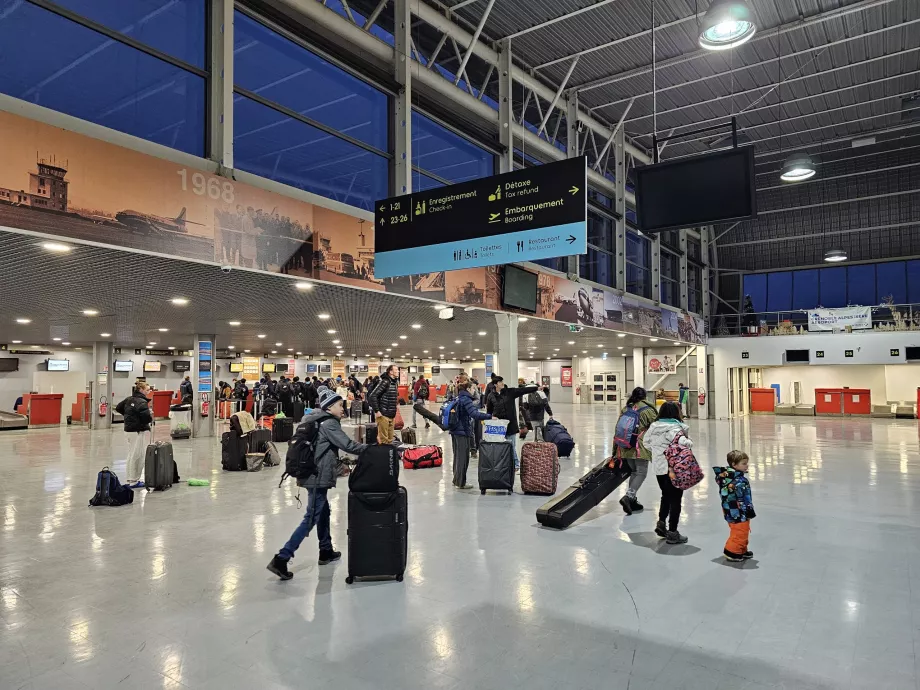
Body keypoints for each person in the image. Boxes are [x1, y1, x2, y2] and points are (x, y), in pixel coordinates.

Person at [267, 387, 367, 580]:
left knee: (323, 511)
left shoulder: (313, 420)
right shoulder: (329, 423)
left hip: (312, 474)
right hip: (316, 476)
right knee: (311, 517)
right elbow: (347, 445)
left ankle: (325, 550)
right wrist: (373, 448)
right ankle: (282, 557)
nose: (342, 408)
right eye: (339, 405)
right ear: (329, 407)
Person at [643, 402, 691, 544]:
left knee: (665, 495)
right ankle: (673, 533)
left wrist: (658, 452)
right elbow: (684, 445)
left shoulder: (653, 426)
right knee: (676, 499)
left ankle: (661, 523)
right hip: (674, 468)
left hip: (659, 467)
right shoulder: (679, 428)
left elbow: (646, 443)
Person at [616, 387, 657, 515]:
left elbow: (617, 428)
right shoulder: (648, 410)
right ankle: (628, 496)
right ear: (644, 397)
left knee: (634, 472)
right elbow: (657, 427)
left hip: (625, 446)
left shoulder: (626, 409)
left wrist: (615, 450)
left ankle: (632, 501)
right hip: (640, 447)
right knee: (641, 473)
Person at [447, 377, 492, 489]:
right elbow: (474, 414)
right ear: (468, 389)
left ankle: (456, 479)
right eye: (473, 388)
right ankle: (461, 483)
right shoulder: (466, 399)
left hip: (455, 431)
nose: (474, 390)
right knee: (463, 458)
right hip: (462, 432)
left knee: (457, 456)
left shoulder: (458, 397)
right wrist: (489, 416)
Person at [486, 376, 538, 468]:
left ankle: (515, 465)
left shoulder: (509, 392)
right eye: (500, 382)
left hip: (511, 425)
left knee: (511, 445)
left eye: (502, 381)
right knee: (500, 446)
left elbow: (522, 390)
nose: (502, 383)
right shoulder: (491, 396)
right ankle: (503, 464)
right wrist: (490, 418)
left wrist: (536, 388)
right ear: (495, 384)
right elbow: (489, 411)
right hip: (499, 427)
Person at [714, 451, 755, 562]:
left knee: (741, 529)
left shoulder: (725, 477)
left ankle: (741, 549)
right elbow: (744, 498)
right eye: (743, 463)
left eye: (746, 463)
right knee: (740, 531)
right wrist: (749, 510)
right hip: (738, 510)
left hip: (730, 509)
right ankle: (732, 551)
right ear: (734, 464)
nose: (747, 466)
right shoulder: (738, 481)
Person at [116, 381, 153, 489]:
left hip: (128, 430)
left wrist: (129, 416)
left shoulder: (129, 399)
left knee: (131, 454)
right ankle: (133, 480)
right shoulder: (141, 402)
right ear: (141, 390)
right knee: (137, 455)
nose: (149, 392)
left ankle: (130, 478)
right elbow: (146, 417)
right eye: (147, 390)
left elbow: (118, 407)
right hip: (137, 431)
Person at [368, 365, 398, 444]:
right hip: (383, 415)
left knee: (390, 440)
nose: (398, 371)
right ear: (391, 372)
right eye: (396, 369)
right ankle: (383, 455)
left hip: (391, 415)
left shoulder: (394, 382)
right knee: (383, 441)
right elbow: (372, 396)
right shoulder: (385, 381)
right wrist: (377, 411)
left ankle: (389, 455)